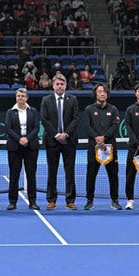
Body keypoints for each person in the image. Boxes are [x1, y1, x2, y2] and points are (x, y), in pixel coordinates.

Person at [40, 73, 79, 210]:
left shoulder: (73, 99)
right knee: (52, 171)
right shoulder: (46, 100)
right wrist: (56, 135)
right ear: (53, 85)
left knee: (70, 172)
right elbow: (44, 119)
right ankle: (51, 200)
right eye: (57, 84)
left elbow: (75, 119)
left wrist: (66, 134)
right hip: (52, 141)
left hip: (69, 141)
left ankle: (70, 200)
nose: (60, 86)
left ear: (66, 86)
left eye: (62, 84)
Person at [83, 84, 121, 210]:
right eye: (99, 91)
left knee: (113, 175)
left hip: (110, 148)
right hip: (94, 148)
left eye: (104, 91)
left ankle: (115, 200)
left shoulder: (113, 109)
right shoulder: (89, 109)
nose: (102, 93)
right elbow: (87, 126)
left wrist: (104, 137)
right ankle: (89, 201)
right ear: (95, 94)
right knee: (91, 175)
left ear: (107, 94)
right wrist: (96, 138)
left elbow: (115, 126)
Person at [5, 88, 40, 210]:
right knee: (14, 175)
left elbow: (36, 128)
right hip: (15, 147)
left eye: (22, 96)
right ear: (16, 98)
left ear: (26, 98)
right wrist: (19, 139)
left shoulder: (33, 111)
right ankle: (12, 202)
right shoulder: (10, 112)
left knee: (31, 175)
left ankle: (32, 201)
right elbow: (8, 128)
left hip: (31, 147)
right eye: (18, 96)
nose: (20, 98)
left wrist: (27, 139)